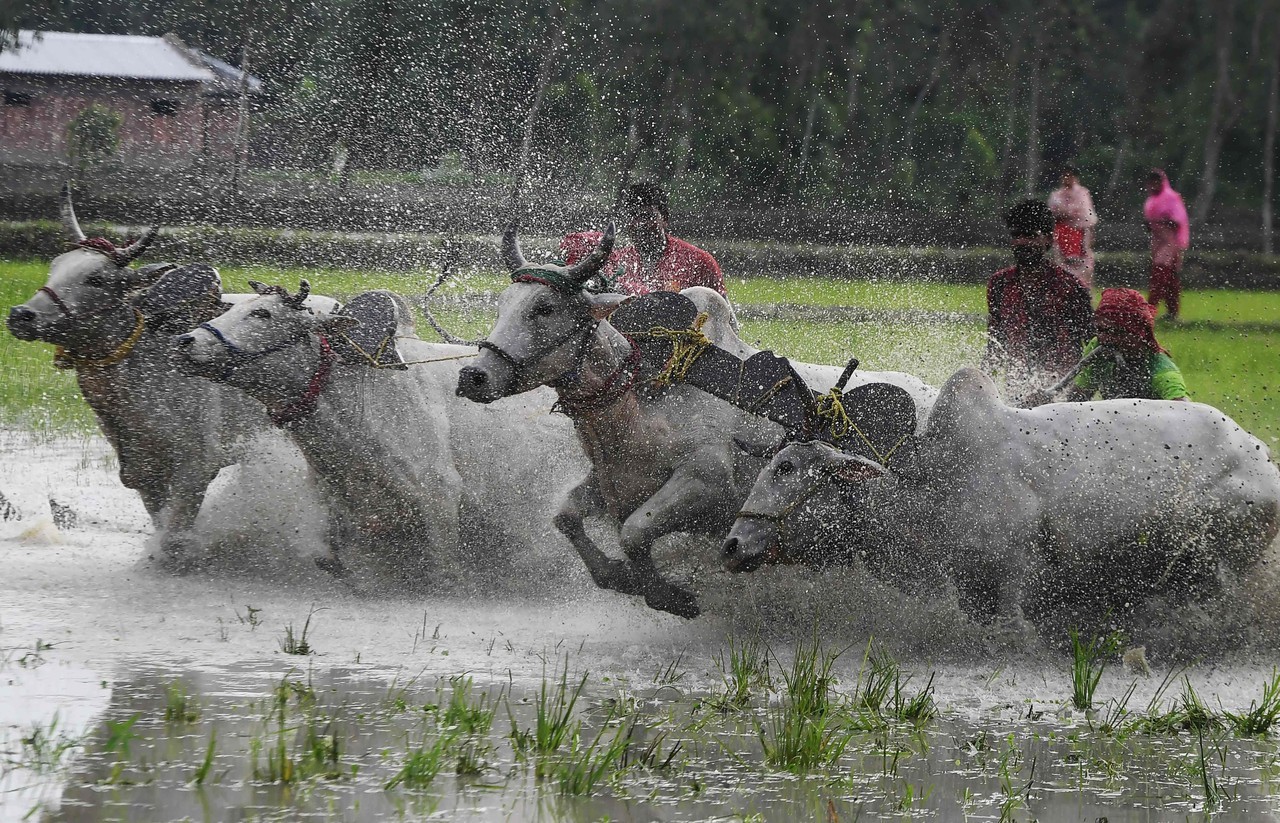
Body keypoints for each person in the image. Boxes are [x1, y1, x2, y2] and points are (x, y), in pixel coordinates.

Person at [986, 199, 1094, 384]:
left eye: (1030, 235)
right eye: (1016, 235)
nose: (1021, 242)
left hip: (1061, 392)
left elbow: (1091, 348)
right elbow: (995, 342)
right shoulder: (1000, 284)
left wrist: (1076, 394)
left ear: (1048, 239)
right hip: (1017, 387)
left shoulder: (1071, 288)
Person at [560, 182, 726, 296]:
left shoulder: (698, 261)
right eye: (633, 216)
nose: (640, 224)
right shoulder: (617, 263)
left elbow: (724, 315)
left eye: (647, 216)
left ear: (665, 219)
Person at [1064, 287, 1189, 401]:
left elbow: (1184, 412)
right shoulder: (1098, 347)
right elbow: (1076, 400)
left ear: (1138, 334)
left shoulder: (1162, 371)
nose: (1106, 339)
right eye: (1101, 330)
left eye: (1117, 332)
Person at [1144, 168, 1190, 319]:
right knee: (1170, 279)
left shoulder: (1171, 198)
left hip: (1171, 242)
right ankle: (1172, 312)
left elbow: (1177, 221)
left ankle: (1150, 309)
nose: (1153, 185)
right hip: (1158, 241)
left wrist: (1160, 222)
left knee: (1160, 274)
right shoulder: (1151, 200)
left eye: (1156, 182)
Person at [1047, 165, 1098, 288]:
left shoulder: (1083, 193)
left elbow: (1086, 215)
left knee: (1084, 268)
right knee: (1062, 268)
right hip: (1061, 235)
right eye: (1065, 176)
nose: (1067, 179)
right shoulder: (1056, 195)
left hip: (1080, 234)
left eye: (1070, 176)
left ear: (1075, 178)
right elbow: (1052, 214)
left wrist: (1067, 214)